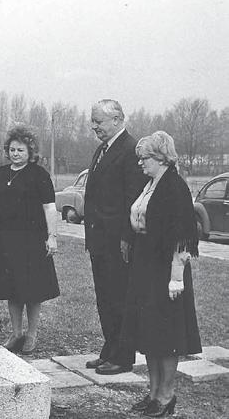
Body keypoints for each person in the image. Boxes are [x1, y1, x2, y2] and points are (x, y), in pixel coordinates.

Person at [121, 131, 201, 417]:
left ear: (160, 158)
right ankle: (153, 394)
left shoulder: (174, 187)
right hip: (146, 267)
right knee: (150, 333)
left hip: (166, 271)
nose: (140, 163)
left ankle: (167, 397)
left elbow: (183, 238)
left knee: (167, 336)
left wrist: (176, 277)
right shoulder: (151, 184)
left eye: (144, 158)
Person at [0, 126, 59, 355]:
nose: (15, 153)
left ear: (30, 151)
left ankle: (31, 335)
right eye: (12, 149)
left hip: (32, 242)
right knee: (11, 290)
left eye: (20, 150)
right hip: (5, 241)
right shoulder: (0, 174)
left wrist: (52, 237)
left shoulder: (39, 175)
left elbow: (49, 208)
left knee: (32, 291)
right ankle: (16, 333)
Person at [84, 99, 147, 375]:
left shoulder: (130, 149)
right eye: (93, 121)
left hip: (117, 242)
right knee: (105, 297)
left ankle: (123, 357)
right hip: (99, 241)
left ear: (117, 119)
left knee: (119, 298)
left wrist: (126, 238)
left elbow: (131, 199)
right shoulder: (102, 149)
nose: (94, 126)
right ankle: (110, 349)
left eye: (98, 121)